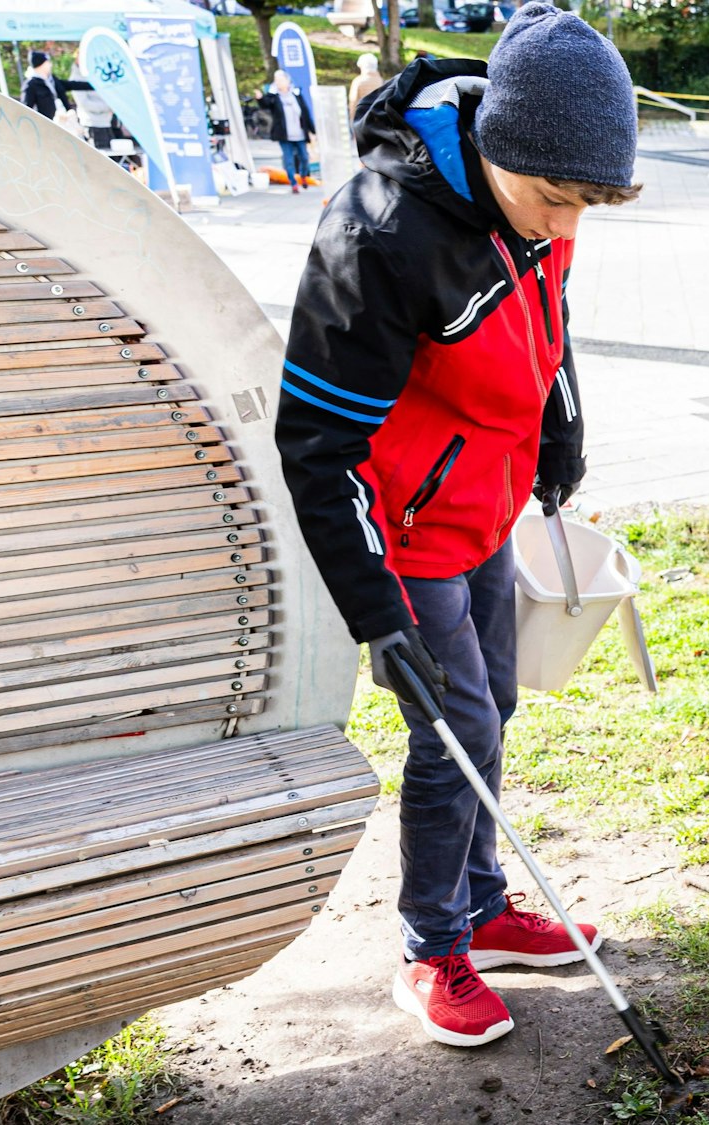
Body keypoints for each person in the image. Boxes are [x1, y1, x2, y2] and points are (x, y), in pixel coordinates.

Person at [273, 2, 641, 1048]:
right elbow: (315, 447)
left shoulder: (533, 198)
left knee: (498, 703)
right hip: (405, 534)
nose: (567, 227)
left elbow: (547, 331)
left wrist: (557, 438)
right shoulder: (379, 235)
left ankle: (482, 910)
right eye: (554, 201)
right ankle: (430, 950)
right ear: (493, 153)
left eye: (588, 206)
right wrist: (374, 615)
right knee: (456, 732)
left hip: (482, 508)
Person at [260, 70, 317, 193]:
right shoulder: (274, 97)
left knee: (304, 158)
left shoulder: (296, 94)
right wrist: (261, 97)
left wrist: (313, 130)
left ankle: (303, 176)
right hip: (284, 135)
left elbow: (305, 113)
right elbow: (265, 104)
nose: (279, 82)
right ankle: (294, 183)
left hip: (300, 133)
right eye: (277, 80)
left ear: (287, 81)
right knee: (289, 159)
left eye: (281, 80)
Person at [20, 50, 89, 120]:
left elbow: (71, 85)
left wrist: (92, 86)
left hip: (64, 121)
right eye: (47, 62)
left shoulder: (52, 79)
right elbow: (26, 110)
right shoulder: (30, 85)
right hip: (47, 125)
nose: (50, 65)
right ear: (41, 64)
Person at [67, 63, 116, 151]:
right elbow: (85, 104)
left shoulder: (97, 72)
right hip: (92, 125)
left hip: (107, 123)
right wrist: (108, 106)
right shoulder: (75, 79)